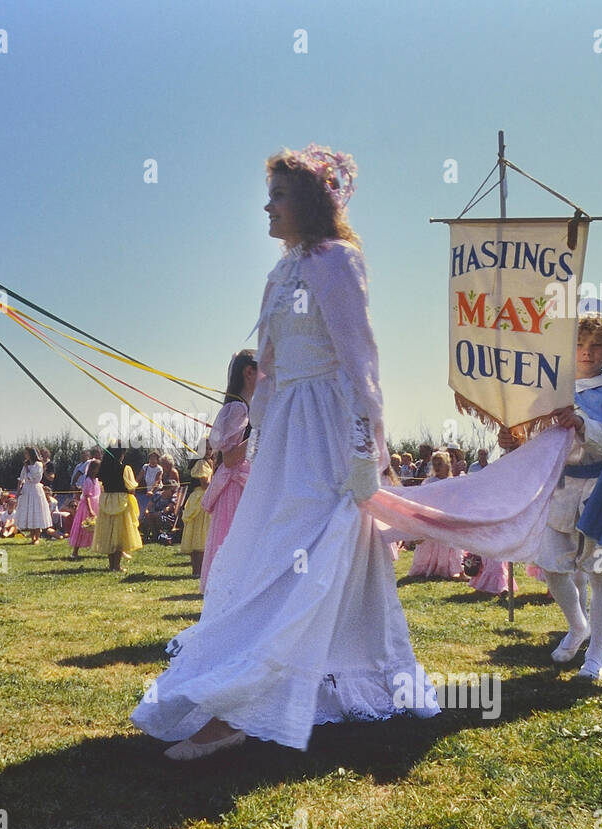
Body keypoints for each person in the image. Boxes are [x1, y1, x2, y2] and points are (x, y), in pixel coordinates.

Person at [131, 144, 439, 759]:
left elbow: (361, 357)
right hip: (289, 428)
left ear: (309, 202)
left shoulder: (337, 261)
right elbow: (269, 362)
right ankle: (285, 686)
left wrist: (364, 446)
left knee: (302, 547)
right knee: (275, 549)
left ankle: (249, 700)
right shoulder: (284, 269)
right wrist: (258, 425)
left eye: (277, 196)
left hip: (326, 423)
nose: (266, 207)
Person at [499, 303, 602, 681]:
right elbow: (538, 438)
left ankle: (596, 653)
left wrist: (583, 423)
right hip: (560, 490)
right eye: (580, 342)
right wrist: (515, 439)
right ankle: (578, 625)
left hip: (600, 491)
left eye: (598, 345)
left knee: (600, 572)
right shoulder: (550, 387)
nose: (587, 351)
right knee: (553, 567)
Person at [199, 350, 258, 591]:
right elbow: (231, 458)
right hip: (235, 487)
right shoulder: (238, 410)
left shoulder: (243, 408)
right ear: (249, 372)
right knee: (235, 540)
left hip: (241, 483)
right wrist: (259, 433)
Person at [407, 452, 465, 579]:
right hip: (431, 518)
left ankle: (455, 569)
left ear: (447, 465)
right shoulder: (429, 482)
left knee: (451, 545)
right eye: (435, 464)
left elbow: (457, 501)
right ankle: (428, 568)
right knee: (429, 544)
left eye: (440, 464)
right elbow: (421, 500)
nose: (437, 467)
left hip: (447, 518)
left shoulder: (453, 482)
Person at [92, 445, 141, 571]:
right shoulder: (125, 468)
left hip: (107, 500)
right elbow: (131, 488)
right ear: (120, 454)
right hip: (121, 501)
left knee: (110, 532)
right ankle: (117, 566)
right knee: (119, 534)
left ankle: (111, 565)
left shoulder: (104, 469)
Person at [179, 458, 213, 576]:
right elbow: (205, 484)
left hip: (196, 498)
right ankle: (198, 570)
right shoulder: (202, 463)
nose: (209, 451)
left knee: (196, 533)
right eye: (207, 448)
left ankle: (196, 570)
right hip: (201, 498)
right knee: (200, 533)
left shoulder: (203, 463)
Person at [14, 447, 51, 544]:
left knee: (36, 512)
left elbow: (34, 478)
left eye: (26, 453)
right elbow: (21, 478)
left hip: (35, 490)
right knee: (29, 512)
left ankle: (37, 537)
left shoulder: (38, 465)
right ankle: (32, 537)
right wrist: (18, 491)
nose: (25, 455)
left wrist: (26, 468)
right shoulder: (26, 465)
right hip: (27, 490)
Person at [68, 460, 101, 558]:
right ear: (93, 469)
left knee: (95, 528)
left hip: (96, 505)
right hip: (87, 507)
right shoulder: (88, 481)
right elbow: (86, 496)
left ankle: (98, 547)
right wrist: (90, 510)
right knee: (83, 528)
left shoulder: (96, 480)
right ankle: (75, 551)